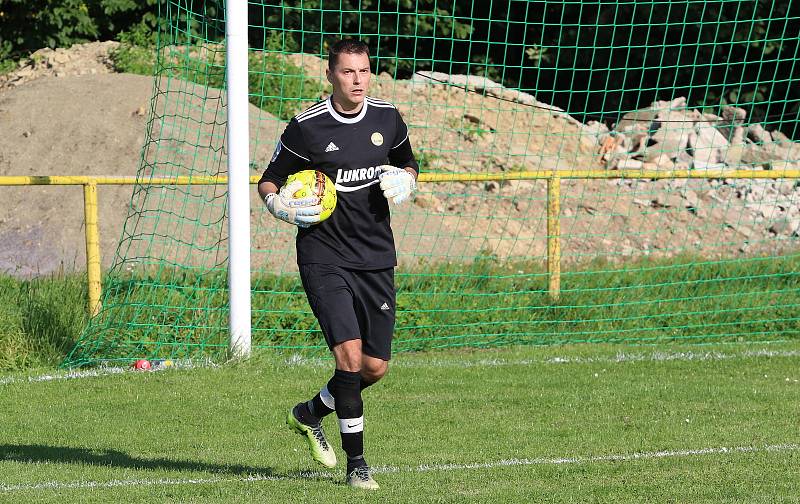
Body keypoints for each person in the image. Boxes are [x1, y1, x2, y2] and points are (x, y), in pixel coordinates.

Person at [257, 39, 419, 490]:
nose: (358, 80)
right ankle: (358, 465)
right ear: (330, 76)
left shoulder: (388, 119)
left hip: (375, 256)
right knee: (348, 359)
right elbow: (269, 180)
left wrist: (407, 181)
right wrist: (279, 207)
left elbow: (408, 163)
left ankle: (310, 414)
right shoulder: (307, 127)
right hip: (324, 256)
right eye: (348, 72)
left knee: (373, 368)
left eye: (364, 71)